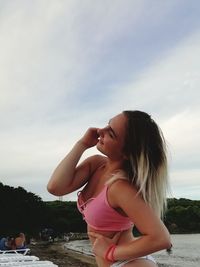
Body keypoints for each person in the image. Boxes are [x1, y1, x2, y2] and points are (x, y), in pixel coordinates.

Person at [47, 110, 172, 267]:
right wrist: (82, 144)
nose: (101, 131)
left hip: (129, 263)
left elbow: (161, 239)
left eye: (111, 133)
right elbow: (56, 187)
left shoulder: (121, 187)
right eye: (107, 124)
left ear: (127, 152)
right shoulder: (96, 164)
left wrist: (110, 253)